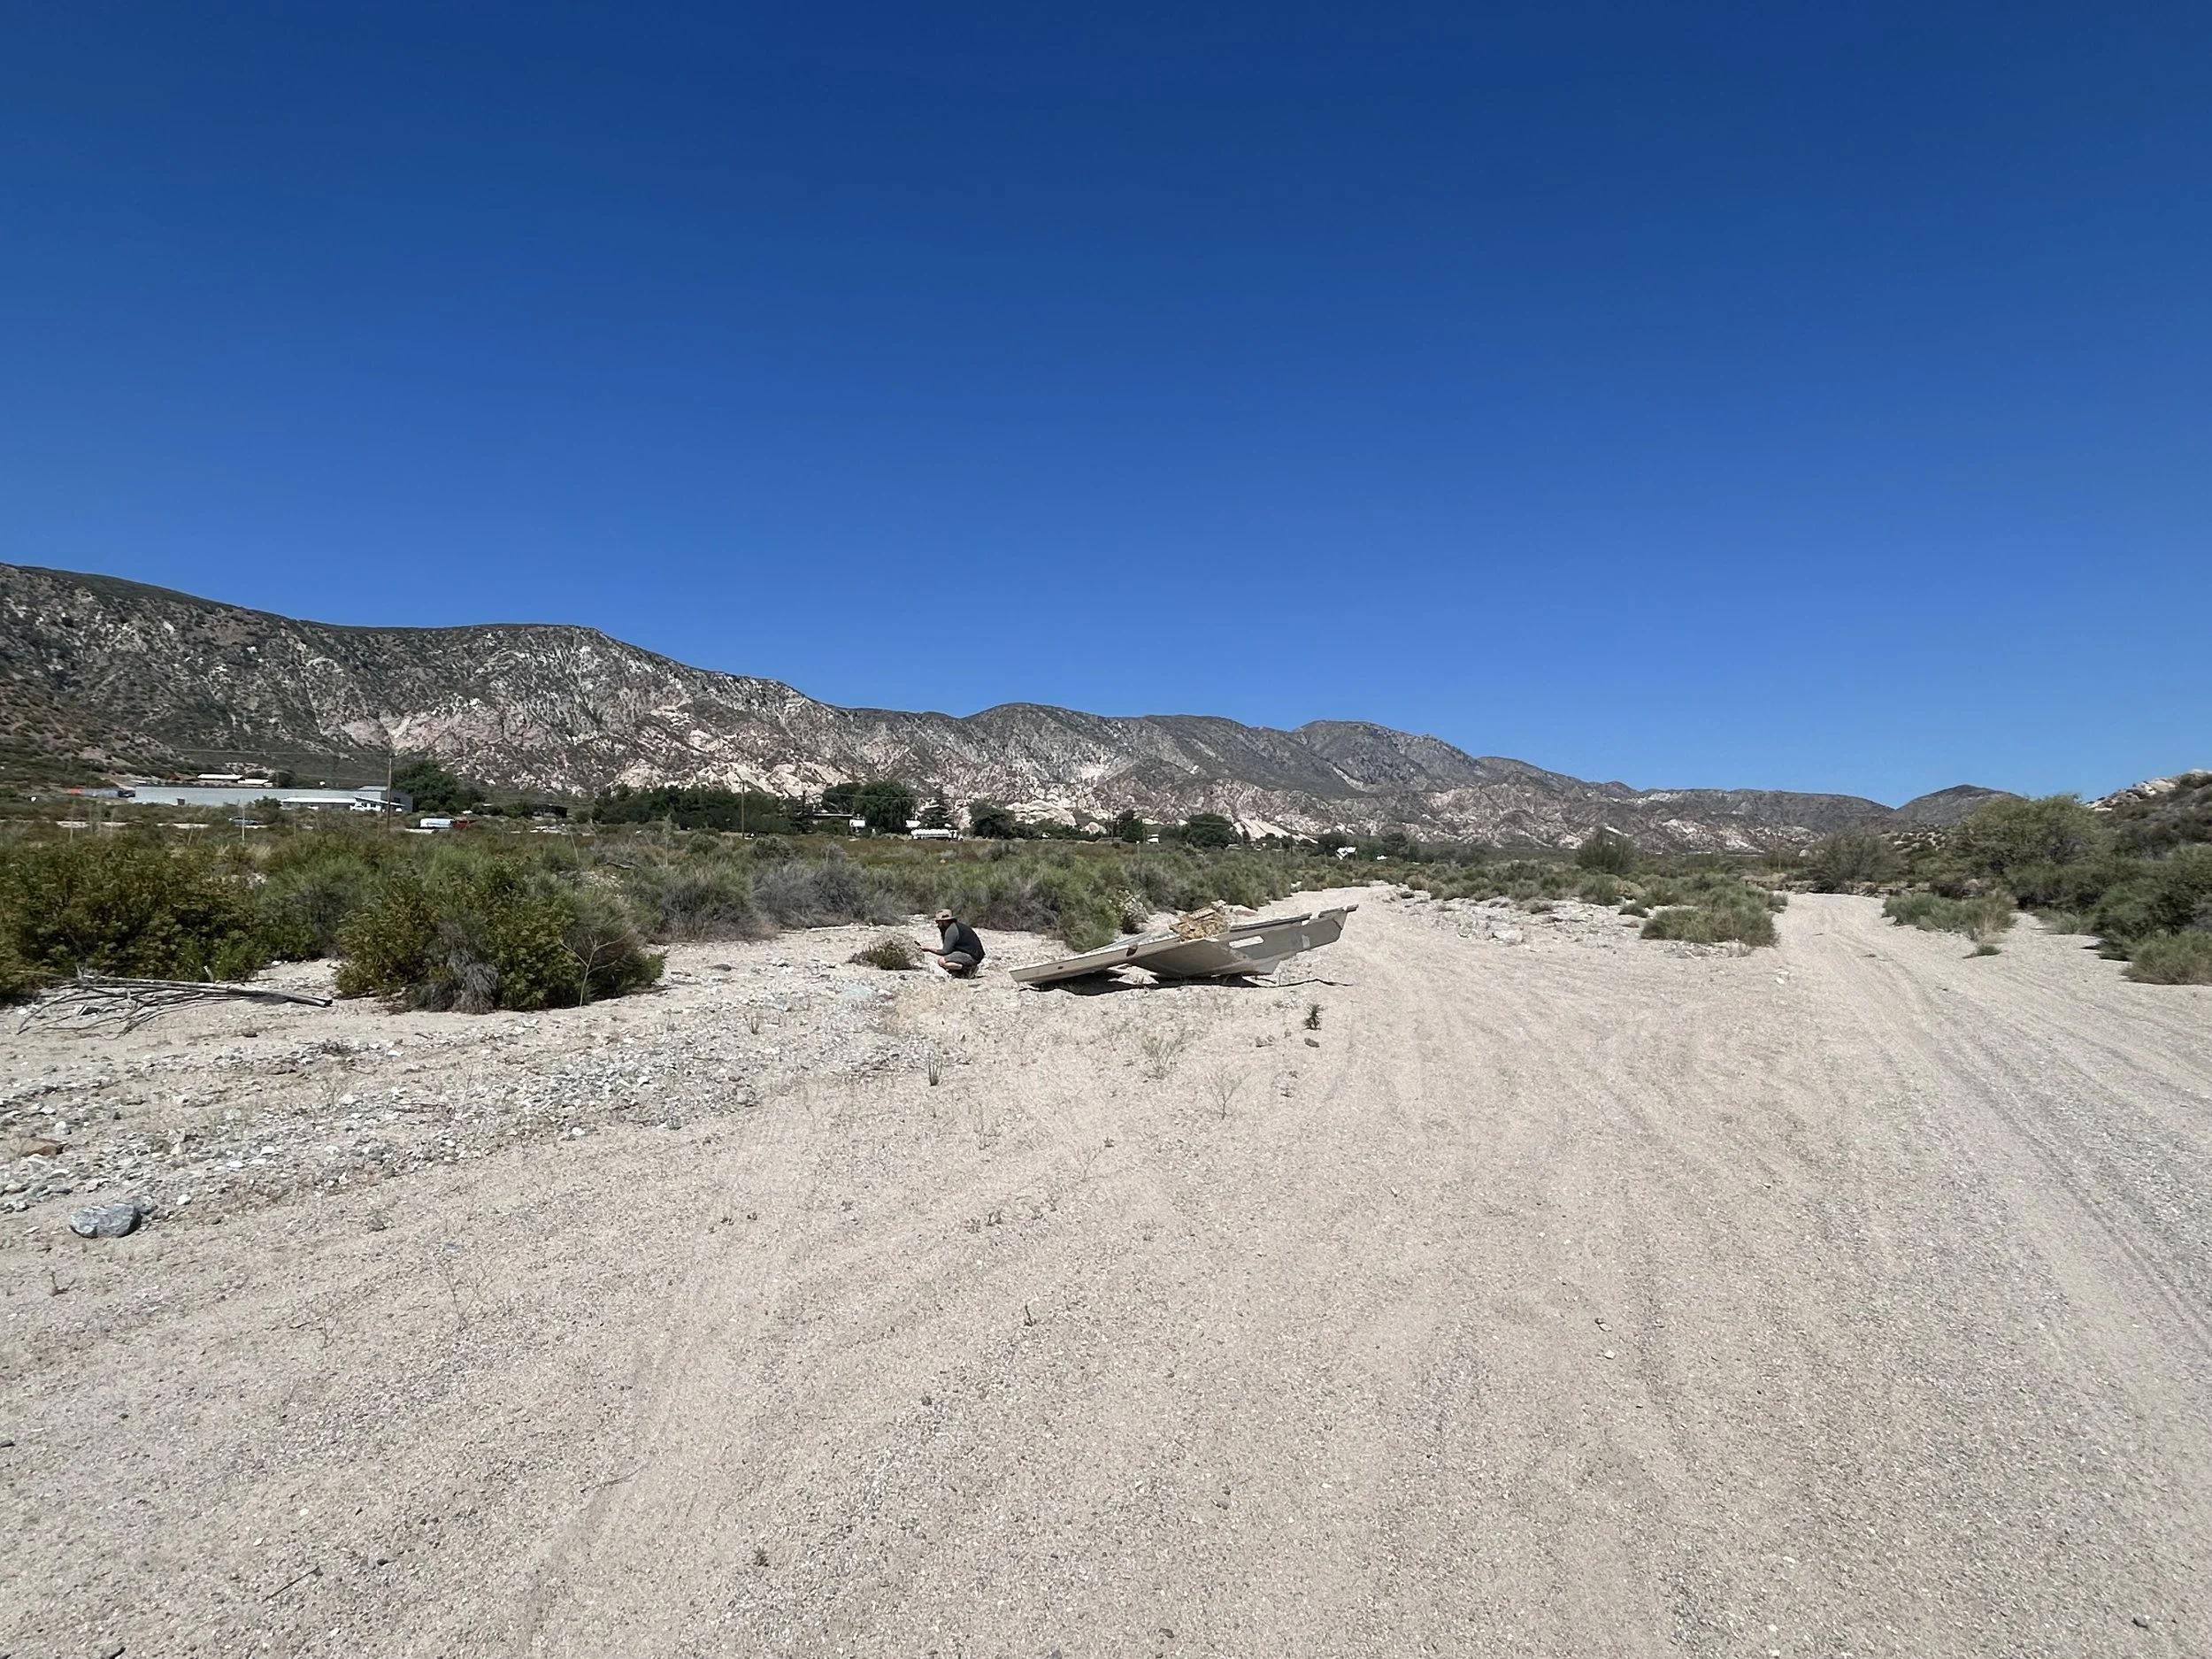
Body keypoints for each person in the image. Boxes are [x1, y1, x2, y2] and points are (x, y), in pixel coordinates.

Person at [923, 909, 985, 978]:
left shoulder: (951, 930)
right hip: (975, 955)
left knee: (942, 962)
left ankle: (967, 969)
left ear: (945, 922)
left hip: (971, 956)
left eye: (939, 922)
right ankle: (961, 970)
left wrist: (928, 949)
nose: (938, 925)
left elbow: (945, 951)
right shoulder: (957, 927)